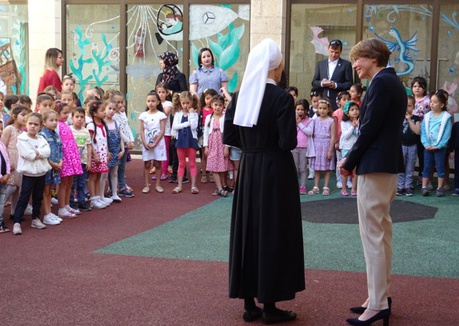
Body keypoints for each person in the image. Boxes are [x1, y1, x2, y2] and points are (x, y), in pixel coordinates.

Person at [224, 38, 304, 324]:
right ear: (277, 66)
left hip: (249, 169)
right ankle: (269, 305)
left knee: (248, 230)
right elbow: (288, 141)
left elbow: (229, 137)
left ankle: (249, 304)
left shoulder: (240, 95)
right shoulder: (283, 98)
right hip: (275, 171)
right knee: (274, 231)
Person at [339, 38, 406, 326]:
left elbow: (368, 129)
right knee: (382, 233)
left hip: (376, 166)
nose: (354, 65)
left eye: (358, 59)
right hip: (386, 165)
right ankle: (380, 296)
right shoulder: (392, 82)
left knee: (373, 236)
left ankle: (378, 303)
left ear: (372, 58)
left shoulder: (380, 83)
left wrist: (349, 161)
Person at [12, 113, 52, 235]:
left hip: (41, 173)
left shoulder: (41, 139)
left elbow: (47, 152)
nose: (33, 126)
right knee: (24, 197)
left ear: (40, 126)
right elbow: (28, 155)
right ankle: (17, 222)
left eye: (36, 124)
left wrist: (36, 152)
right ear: (26, 124)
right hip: (29, 174)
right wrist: (38, 153)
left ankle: (35, 218)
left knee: (38, 197)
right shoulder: (22, 139)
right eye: (30, 123)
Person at [420, 91, 452, 197]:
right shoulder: (427, 116)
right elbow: (423, 131)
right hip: (428, 147)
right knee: (427, 166)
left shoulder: (446, 117)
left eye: (435, 102)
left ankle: (439, 188)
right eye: (431, 102)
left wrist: (438, 145)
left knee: (440, 166)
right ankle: (424, 187)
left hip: (440, 147)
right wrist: (426, 144)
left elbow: (447, 134)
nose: (432, 104)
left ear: (442, 105)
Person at [1, 105, 30, 220]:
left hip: (20, 163)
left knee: (17, 188)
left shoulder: (23, 132)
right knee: (10, 187)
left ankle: (14, 212)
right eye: (23, 115)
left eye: (26, 115)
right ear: (14, 116)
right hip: (10, 163)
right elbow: (2, 147)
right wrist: (7, 164)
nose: (25, 117)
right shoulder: (9, 129)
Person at [55, 102, 83, 218]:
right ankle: (61, 207)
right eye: (64, 113)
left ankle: (67, 205)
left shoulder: (65, 124)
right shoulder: (57, 125)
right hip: (64, 156)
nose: (67, 115)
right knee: (64, 182)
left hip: (71, 155)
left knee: (70, 182)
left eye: (68, 113)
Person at [312, 39, 354, 111]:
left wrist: (336, 85)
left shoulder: (346, 65)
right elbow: (314, 82)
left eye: (336, 52)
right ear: (328, 49)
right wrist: (322, 83)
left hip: (338, 101)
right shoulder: (321, 64)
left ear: (340, 51)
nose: (333, 54)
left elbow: (349, 84)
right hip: (322, 100)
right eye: (331, 52)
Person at [203, 95, 232, 197]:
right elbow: (206, 132)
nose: (217, 107)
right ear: (211, 105)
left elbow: (228, 133)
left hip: (222, 143)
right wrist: (206, 146)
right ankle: (219, 188)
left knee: (223, 165)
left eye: (220, 105)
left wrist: (227, 147)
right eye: (215, 105)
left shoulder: (225, 117)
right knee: (214, 166)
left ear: (223, 106)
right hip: (212, 144)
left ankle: (224, 185)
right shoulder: (208, 118)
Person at [171, 91, 199, 194]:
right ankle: (179, 185)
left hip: (191, 140)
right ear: (180, 103)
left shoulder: (194, 114)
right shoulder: (178, 114)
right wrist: (187, 123)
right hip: (181, 141)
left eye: (188, 103)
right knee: (181, 163)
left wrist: (191, 114)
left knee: (192, 163)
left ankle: (193, 186)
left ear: (191, 102)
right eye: (183, 103)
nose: (186, 105)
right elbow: (175, 126)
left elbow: (194, 126)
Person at [139, 91, 167, 194]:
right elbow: (142, 130)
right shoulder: (143, 115)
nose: (151, 103)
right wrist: (144, 141)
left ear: (158, 102)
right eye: (148, 101)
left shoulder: (161, 115)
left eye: (153, 101)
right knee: (147, 164)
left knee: (158, 163)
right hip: (147, 142)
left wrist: (155, 142)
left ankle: (158, 184)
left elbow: (162, 130)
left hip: (158, 143)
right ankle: (146, 185)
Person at [39, 110, 63, 225]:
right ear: (44, 122)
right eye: (51, 120)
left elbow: (59, 149)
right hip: (47, 167)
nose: (54, 123)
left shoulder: (56, 135)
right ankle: (46, 214)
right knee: (46, 191)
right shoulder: (42, 135)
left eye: (56, 120)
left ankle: (49, 213)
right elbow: (42, 154)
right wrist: (52, 164)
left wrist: (60, 161)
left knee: (50, 190)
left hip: (55, 167)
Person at [308, 99, 336, 195]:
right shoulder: (315, 120)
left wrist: (330, 150)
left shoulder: (331, 121)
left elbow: (333, 136)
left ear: (328, 109)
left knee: (327, 168)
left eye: (324, 108)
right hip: (317, 145)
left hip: (326, 145)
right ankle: (316, 186)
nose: (322, 110)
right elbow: (311, 133)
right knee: (317, 168)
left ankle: (326, 186)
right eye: (320, 108)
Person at [87, 100, 110, 209]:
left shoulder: (103, 124)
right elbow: (89, 142)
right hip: (95, 155)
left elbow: (105, 140)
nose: (104, 112)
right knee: (93, 176)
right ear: (94, 113)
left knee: (99, 175)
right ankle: (93, 198)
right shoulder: (91, 126)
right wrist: (94, 155)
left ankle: (97, 197)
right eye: (102, 110)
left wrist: (107, 152)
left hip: (102, 154)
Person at [112, 92, 135, 197]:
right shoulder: (113, 116)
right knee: (114, 167)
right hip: (118, 144)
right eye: (117, 102)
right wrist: (127, 141)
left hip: (126, 144)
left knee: (122, 167)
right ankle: (113, 187)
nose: (120, 105)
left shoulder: (122, 113)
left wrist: (132, 140)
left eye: (122, 102)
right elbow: (119, 131)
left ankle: (122, 186)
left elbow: (127, 127)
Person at [397, 95, 420, 197]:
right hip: (401, 145)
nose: (407, 108)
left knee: (410, 167)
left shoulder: (416, 118)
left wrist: (410, 120)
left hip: (412, 146)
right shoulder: (398, 117)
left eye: (410, 106)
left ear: (414, 107)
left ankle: (408, 186)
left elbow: (417, 131)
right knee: (400, 166)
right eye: (405, 106)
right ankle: (400, 186)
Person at [71, 107, 92, 211]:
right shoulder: (69, 130)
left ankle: (81, 201)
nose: (79, 119)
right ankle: (71, 202)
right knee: (72, 183)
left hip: (83, 162)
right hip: (72, 163)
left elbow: (88, 146)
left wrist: (89, 161)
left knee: (81, 182)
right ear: (72, 118)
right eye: (77, 117)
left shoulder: (85, 131)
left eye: (82, 117)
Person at [293, 99, 314, 195]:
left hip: (304, 147)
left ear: (306, 110)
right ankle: (294, 185)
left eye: (302, 109)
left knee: (303, 168)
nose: (300, 111)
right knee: (294, 167)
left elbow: (309, 132)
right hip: (294, 147)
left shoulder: (310, 121)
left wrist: (299, 124)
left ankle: (303, 186)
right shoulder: (292, 119)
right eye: (298, 109)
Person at [339, 101, 360, 196]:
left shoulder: (360, 122)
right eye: (352, 110)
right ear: (347, 112)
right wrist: (353, 127)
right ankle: (344, 188)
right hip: (346, 149)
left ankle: (354, 189)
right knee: (345, 169)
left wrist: (357, 126)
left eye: (356, 109)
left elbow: (360, 135)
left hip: (355, 149)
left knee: (355, 170)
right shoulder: (344, 123)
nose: (355, 111)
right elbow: (346, 136)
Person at [199, 88, 218, 183]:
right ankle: (203, 174)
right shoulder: (201, 109)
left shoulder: (215, 109)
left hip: (213, 133)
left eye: (211, 98)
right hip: (203, 133)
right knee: (204, 155)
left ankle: (211, 173)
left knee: (212, 154)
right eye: (207, 98)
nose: (209, 101)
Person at [154, 83, 173, 181]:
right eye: (159, 92)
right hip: (155, 132)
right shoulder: (155, 103)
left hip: (165, 132)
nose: (161, 94)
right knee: (157, 152)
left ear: (167, 93)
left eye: (163, 92)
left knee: (165, 152)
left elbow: (163, 115)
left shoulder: (168, 104)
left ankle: (164, 172)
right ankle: (158, 171)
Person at [0, 137, 11, 233]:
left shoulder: (1, 144)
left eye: (1, 129)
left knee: (2, 202)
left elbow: (7, 159)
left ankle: (1, 223)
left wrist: (7, 173)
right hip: (1, 178)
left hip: (4, 178)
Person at [450, 119, 459, 196]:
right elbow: (452, 138)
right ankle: (457, 187)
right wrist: (451, 150)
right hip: (457, 150)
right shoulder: (456, 125)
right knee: (457, 169)